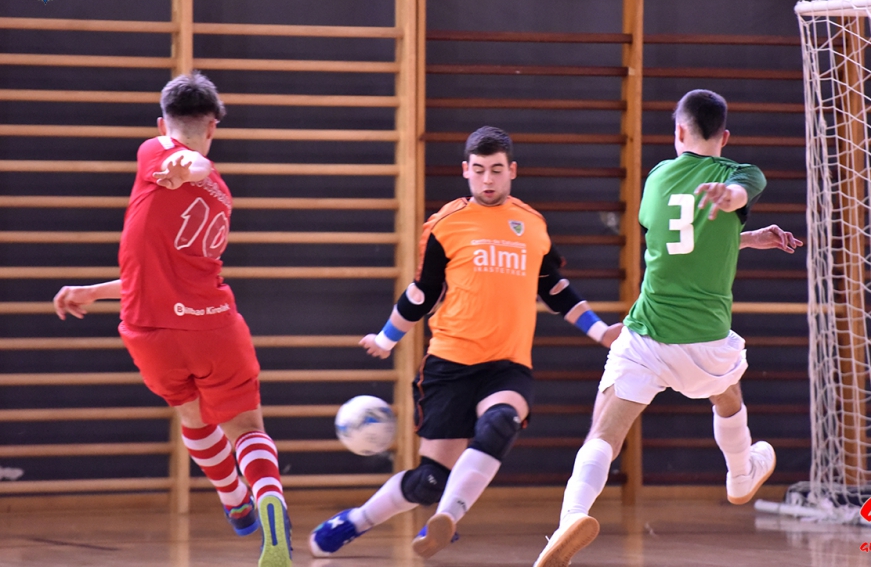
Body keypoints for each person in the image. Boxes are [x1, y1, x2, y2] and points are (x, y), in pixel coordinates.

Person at [309, 126, 623, 559]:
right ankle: (356, 520)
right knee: (428, 482)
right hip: (449, 365)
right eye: (479, 170)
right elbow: (421, 293)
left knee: (500, 422)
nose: (487, 179)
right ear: (465, 171)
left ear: (512, 170)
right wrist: (386, 338)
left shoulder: (532, 224)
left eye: (496, 170)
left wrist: (600, 330)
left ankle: (447, 518)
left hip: (507, 365)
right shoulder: (446, 224)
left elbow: (554, 288)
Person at [532, 89, 804, 567]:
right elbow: (742, 190)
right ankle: (740, 474)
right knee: (728, 396)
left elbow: (680, 240)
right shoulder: (739, 174)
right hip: (707, 340)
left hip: (649, 337)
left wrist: (742, 236)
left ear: (679, 131)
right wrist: (736, 205)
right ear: (725, 137)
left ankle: (570, 518)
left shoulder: (656, 179)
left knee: (603, 433)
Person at [53, 72, 292, 567]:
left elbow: (185, 163)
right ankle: (270, 501)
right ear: (214, 126)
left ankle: (234, 500)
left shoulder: (156, 152)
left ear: (163, 124)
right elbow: (193, 171)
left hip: (150, 331)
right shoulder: (222, 192)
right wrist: (95, 291)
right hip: (213, 326)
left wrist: (187, 166)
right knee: (247, 428)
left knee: (191, 415)